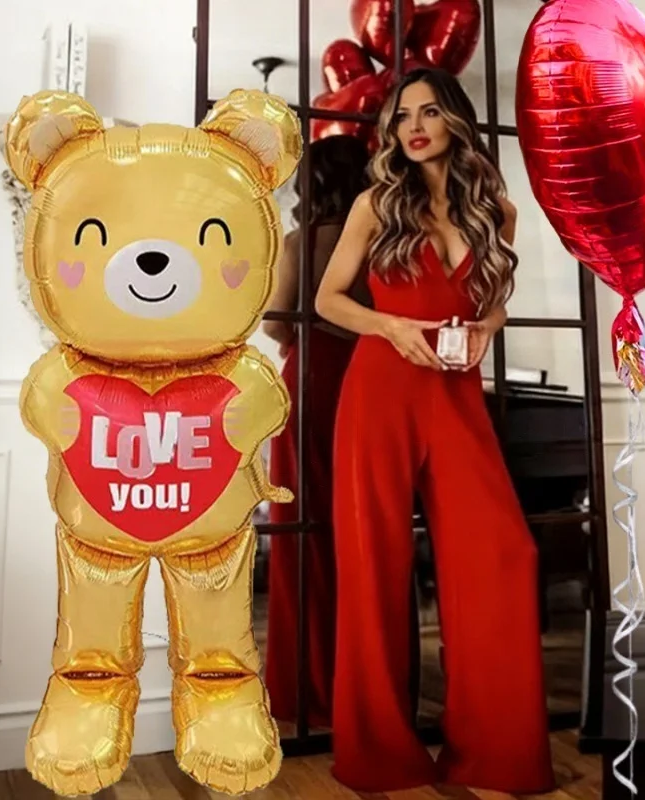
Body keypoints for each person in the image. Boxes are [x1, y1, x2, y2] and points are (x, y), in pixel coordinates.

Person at [315, 68, 555, 794]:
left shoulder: (496, 210)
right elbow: (329, 299)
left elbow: (495, 300)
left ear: (455, 118)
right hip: (381, 391)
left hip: (456, 393)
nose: (413, 127)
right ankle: (381, 753)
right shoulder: (376, 204)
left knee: (504, 553)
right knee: (374, 566)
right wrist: (390, 325)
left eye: (427, 112)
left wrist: (486, 328)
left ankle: (495, 750)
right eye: (400, 116)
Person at [262, 135, 371, 729]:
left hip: (309, 381)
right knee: (363, 528)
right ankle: (364, 683)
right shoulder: (381, 236)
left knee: (302, 531)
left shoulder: (299, 241)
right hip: (368, 377)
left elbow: (277, 322)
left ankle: (304, 684)